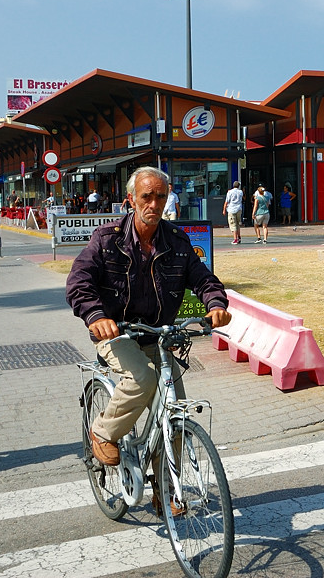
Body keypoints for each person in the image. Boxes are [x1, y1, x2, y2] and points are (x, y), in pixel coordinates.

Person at [65, 167, 231, 479]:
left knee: (176, 412)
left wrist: (216, 303)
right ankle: (102, 431)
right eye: (146, 197)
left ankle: (166, 489)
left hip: (159, 336)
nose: (154, 204)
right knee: (142, 379)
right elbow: (78, 282)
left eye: (161, 196)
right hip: (117, 334)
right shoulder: (106, 240)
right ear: (131, 199)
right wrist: (96, 316)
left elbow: (204, 280)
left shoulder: (178, 243)